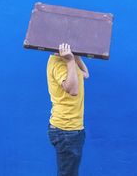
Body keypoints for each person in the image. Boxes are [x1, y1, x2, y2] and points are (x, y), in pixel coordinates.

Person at [47, 43, 89, 176]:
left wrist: (75, 56)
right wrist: (70, 61)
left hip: (73, 129)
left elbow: (86, 74)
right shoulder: (59, 62)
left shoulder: (68, 61)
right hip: (66, 130)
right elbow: (73, 90)